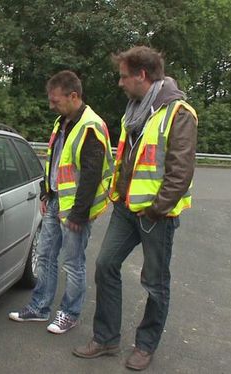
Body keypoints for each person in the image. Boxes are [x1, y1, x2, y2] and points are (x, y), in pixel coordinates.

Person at [72, 46, 198, 371]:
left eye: (123, 76)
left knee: (155, 283)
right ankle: (106, 338)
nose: (120, 83)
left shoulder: (179, 113)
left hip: (157, 215)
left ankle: (145, 345)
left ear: (142, 76)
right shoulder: (135, 110)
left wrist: (156, 209)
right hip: (126, 209)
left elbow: (180, 173)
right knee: (105, 265)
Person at [8, 70, 113, 334]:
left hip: (76, 209)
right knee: (44, 255)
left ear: (73, 95)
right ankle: (40, 307)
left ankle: (69, 313)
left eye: (55, 100)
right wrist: (46, 192)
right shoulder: (62, 121)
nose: (51, 105)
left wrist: (78, 215)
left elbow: (91, 175)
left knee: (73, 263)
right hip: (56, 200)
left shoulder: (91, 125)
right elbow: (55, 162)